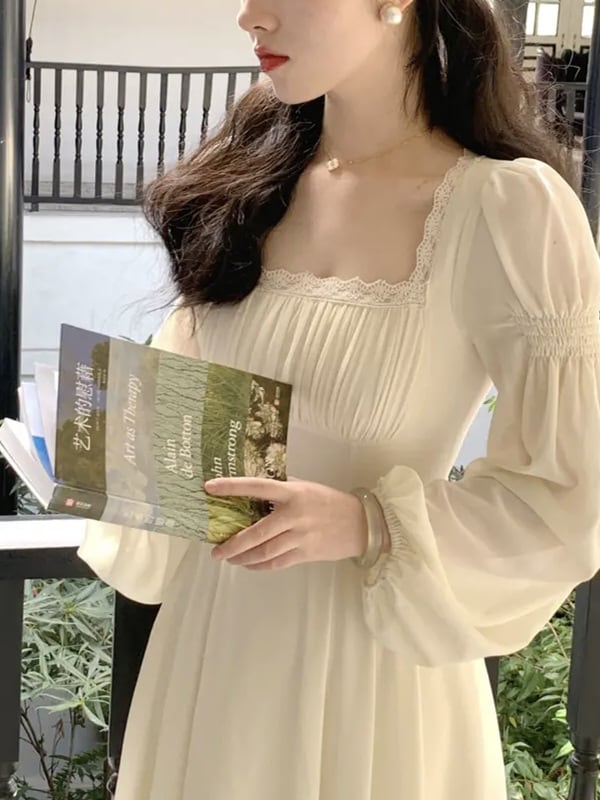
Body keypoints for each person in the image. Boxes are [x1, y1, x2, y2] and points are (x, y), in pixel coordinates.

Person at [77, 0, 600, 798]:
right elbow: (183, 424)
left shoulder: (505, 208)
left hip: (371, 674)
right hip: (212, 652)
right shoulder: (246, 183)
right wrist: (97, 443)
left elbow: (571, 493)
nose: (250, 18)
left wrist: (368, 523)